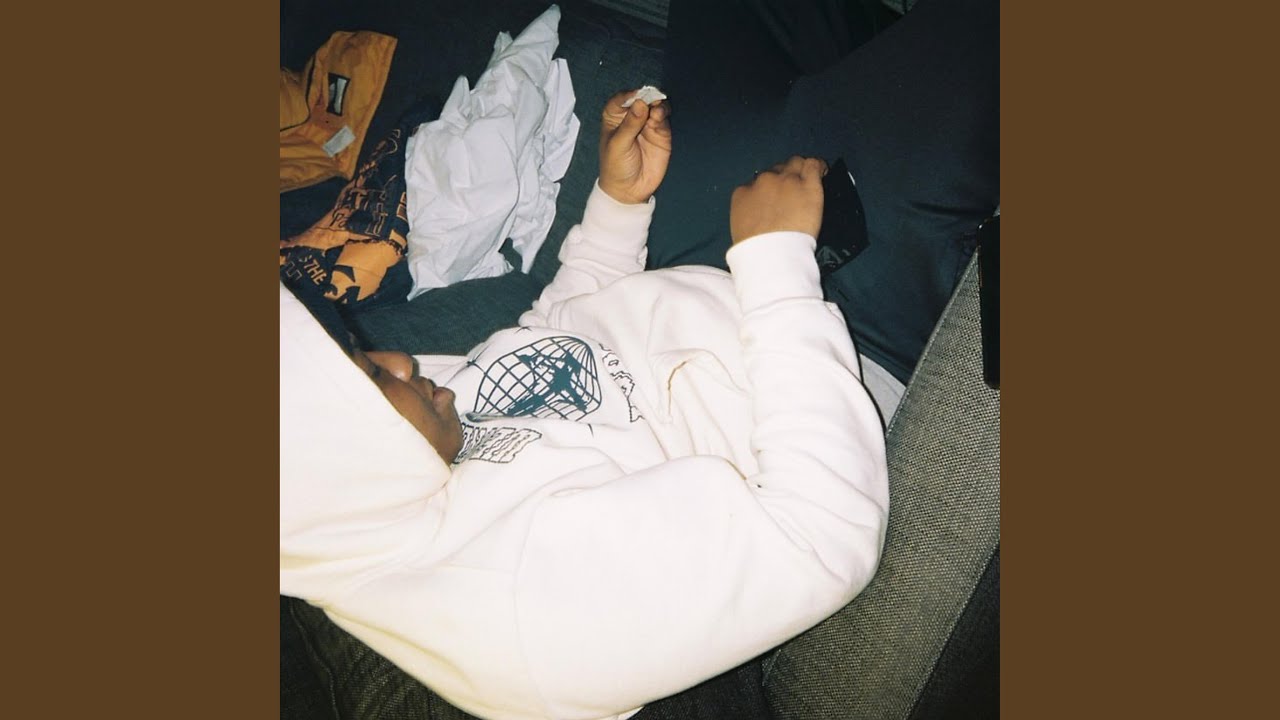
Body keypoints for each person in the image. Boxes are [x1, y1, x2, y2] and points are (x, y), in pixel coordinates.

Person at [281, 88, 890, 720]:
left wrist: (617, 207)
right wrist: (777, 259)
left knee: (724, 63)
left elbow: (548, 339)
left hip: (742, 282)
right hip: (845, 363)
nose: (400, 361)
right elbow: (823, 532)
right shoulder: (526, 620)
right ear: (333, 464)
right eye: (370, 376)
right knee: (901, 107)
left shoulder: (403, 457)